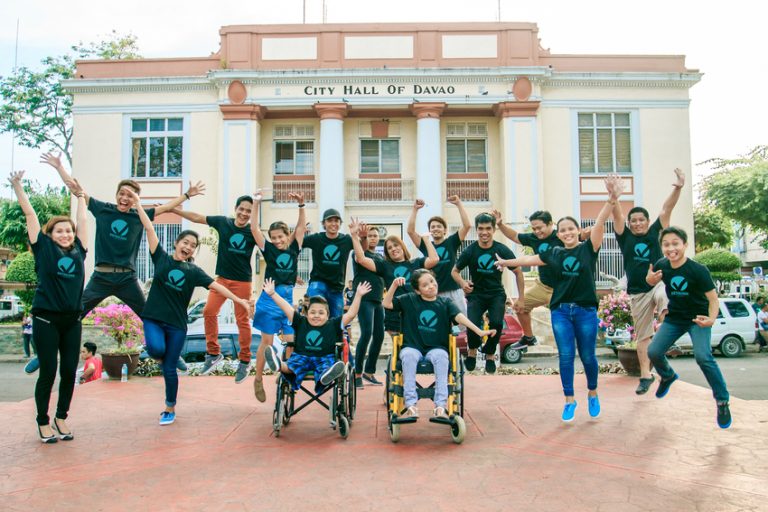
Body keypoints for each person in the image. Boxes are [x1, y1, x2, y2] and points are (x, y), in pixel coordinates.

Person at [37, 152, 205, 373]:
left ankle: (167, 355)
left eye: (130, 196)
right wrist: (59, 167)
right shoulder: (103, 209)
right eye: (122, 194)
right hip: (101, 276)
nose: (125, 198)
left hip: (127, 278)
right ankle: (43, 355)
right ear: (117, 195)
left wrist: (186, 195)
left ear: (135, 199)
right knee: (75, 311)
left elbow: (165, 208)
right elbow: (76, 189)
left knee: (150, 314)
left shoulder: (138, 215)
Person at [496, 176, 622, 421]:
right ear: (560, 233)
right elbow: (528, 260)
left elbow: (599, 222)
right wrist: (506, 262)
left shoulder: (589, 248)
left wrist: (611, 199)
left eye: (570, 229)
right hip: (561, 311)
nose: (567, 233)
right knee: (565, 356)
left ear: (577, 231)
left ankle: (593, 393)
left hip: (585, 310)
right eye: (563, 230)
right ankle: (569, 400)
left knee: (588, 356)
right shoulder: (553, 252)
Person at [129, 189, 253, 426]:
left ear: (194, 251)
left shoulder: (194, 272)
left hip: (176, 325)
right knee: (155, 349)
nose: (188, 246)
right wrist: (139, 204)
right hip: (154, 318)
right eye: (185, 242)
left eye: (193, 245)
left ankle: (169, 408)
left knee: (169, 370)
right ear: (177, 243)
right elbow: (149, 228)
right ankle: (173, 358)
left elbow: (217, 286)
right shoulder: (161, 258)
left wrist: (239, 301)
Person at [10, 169, 87, 443]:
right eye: (60, 230)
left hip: (72, 321)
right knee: (49, 372)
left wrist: (79, 196)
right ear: (50, 234)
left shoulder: (79, 250)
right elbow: (31, 215)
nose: (65, 233)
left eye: (68, 230)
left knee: (69, 371)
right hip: (46, 320)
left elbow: (82, 219)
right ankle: (43, 421)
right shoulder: (43, 249)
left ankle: (61, 417)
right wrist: (19, 187)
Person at [646, 226, 732, 429]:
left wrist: (711, 319)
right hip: (675, 318)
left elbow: (713, 299)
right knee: (654, 351)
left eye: (675, 243)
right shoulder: (662, 265)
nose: (671, 248)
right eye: (666, 244)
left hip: (698, 319)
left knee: (703, 357)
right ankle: (667, 376)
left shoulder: (698, 270)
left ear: (685, 245)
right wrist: (649, 280)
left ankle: (722, 401)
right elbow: (649, 280)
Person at [610, 168, 685, 395]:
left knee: (664, 296)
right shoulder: (625, 236)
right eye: (634, 221)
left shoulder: (655, 232)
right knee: (642, 337)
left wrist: (678, 187)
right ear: (630, 224)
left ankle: (667, 335)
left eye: (642, 220)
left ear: (648, 221)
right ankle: (645, 376)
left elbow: (667, 208)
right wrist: (614, 196)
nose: (638, 223)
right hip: (637, 291)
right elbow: (617, 216)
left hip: (659, 283)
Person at [382, 270, 495, 419]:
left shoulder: (446, 303)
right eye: (424, 285)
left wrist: (479, 331)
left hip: (436, 348)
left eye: (431, 281)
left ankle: (440, 406)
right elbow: (386, 303)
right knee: (408, 356)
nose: (430, 286)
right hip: (412, 347)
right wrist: (394, 285)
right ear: (417, 290)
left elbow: (460, 318)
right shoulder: (409, 299)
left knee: (442, 357)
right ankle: (411, 405)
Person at [171, 195, 258, 384]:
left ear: (252, 214)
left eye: (248, 211)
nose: (244, 213)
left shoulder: (253, 232)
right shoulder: (223, 223)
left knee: (242, 320)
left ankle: (244, 360)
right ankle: (213, 353)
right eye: (241, 209)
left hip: (243, 281)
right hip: (222, 280)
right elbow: (196, 218)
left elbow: (272, 250)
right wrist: (174, 210)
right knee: (209, 312)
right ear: (236, 209)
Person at [349, 218, 439, 384]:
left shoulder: (416, 263)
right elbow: (361, 258)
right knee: (399, 350)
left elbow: (434, 259)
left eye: (396, 245)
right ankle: (392, 387)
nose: (393, 249)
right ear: (387, 253)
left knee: (410, 350)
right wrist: (355, 236)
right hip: (395, 315)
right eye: (389, 248)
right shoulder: (384, 266)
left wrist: (426, 240)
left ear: (402, 246)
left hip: (414, 314)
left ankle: (396, 382)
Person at [261, 278, 371, 394]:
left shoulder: (334, 324)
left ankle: (326, 376)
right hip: (302, 356)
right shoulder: (301, 321)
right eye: (312, 312)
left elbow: (351, 314)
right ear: (307, 313)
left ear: (327, 315)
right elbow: (286, 307)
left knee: (327, 366)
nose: (316, 315)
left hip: (324, 357)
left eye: (321, 313)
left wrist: (358, 295)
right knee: (292, 365)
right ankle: (278, 365)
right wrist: (273, 294)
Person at [249, 190, 306, 402]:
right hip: (269, 300)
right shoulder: (269, 250)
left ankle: (287, 373)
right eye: (273, 238)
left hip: (287, 301)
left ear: (286, 235)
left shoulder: (294, 247)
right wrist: (256, 203)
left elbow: (301, 228)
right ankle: (257, 379)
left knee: (292, 341)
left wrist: (301, 206)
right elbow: (254, 229)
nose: (277, 240)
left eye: (280, 237)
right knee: (267, 342)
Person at [451, 212, 525, 374]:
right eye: (481, 229)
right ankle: (472, 352)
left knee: (497, 324)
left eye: (488, 228)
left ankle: (490, 355)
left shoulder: (501, 249)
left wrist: (521, 298)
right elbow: (455, 271)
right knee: (472, 322)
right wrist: (463, 283)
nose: (484, 232)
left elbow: (518, 272)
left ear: (493, 230)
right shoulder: (470, 250)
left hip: (496, 294)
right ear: (476, 230)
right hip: (476, 294)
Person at [494, 209, 561, 350]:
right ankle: (528, 337)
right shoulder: (533, 238)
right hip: (543, 286)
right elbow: (515, 236)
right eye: (534, 228)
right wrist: (500, 225)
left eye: (540, 227)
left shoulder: (561, 236)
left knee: (564, 317)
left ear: (550, 224)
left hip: (563, 288)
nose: (537, 231)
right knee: (520, 307)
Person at [406, 196, 471, 320]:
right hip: (434, 292)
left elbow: (467, 226)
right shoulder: (426, 245)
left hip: (454, 290)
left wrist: (458, 204)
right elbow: (410, 231)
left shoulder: (451, 242)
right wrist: (415, 209)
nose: (436, 228)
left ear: (445, 230)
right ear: (429, 231)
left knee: (463, 323)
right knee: (440, 324)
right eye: (433, 227)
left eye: (439, 226)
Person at [350, 225, 386, 388]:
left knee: (379, 336)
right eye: (370, 235)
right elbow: (360, 256)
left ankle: (369, 372)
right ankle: (357, 374)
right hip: (364, 299)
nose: (373, 238)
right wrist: (361, 238)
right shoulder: (358, 253)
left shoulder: (380, 258)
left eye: (375, 235)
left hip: (378, 300)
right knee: (366, 334)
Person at [302, 208, 354, 318]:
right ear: (324, 224)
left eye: (336, 221)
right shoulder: (316, 239)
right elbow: (293, 245)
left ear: (340, 223)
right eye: (330, 221)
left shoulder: (347, 240)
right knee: (318, 310)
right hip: (318, 283)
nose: (333, 224)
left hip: (337, 288)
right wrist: (300, 230)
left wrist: (361, 237)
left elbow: (362, 251)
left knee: (336, 323)